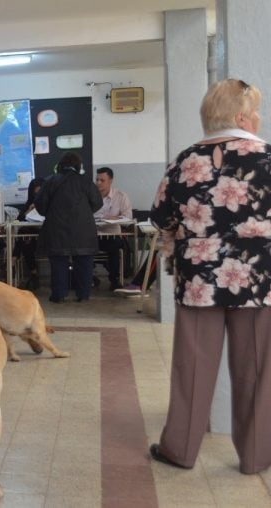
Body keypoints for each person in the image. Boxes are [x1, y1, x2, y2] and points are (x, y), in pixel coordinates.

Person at [148, 78, 271, 474]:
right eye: (255, 113)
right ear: (241, 117)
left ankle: (180, 450)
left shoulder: (185, 161)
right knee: (256, 369)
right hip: (259, 280)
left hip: (199, 279)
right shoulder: (268, 157)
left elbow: (161, 217)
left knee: (193, 367)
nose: (257, 119)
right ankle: (256, 456)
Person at [35, 151, 103, 303]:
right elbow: (98, 202)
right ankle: (83, 295)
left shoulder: (51, 181)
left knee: (59, 263)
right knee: (84, 263)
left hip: (56, 229)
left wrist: (50, 213)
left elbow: (40, 204)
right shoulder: (85, 182)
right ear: (78, 166)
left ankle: (59, 295)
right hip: (84, 230)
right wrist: (84, 212)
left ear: (60, 165)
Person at [93, 167, 132, 290]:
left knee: (116, 246)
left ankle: (114, 280)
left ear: (110, 181)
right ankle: (88, 278)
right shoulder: (89, 196)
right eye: (97, 179)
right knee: (81, 245)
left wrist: (115, 218)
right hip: (93, 235)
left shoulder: (121, 196)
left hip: (111, 235)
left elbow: (128, 218)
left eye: (102, 180)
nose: (98, 183)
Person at [13, 177, 44, 290]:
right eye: (34, 194)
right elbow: (19, 220)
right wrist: (29, 211)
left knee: (23, 234)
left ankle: (13, 259)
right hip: (31, 240)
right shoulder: (29, 204)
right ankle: (34, 274)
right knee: (25, 241)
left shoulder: (51, 204)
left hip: (46, 238)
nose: (37, 196)